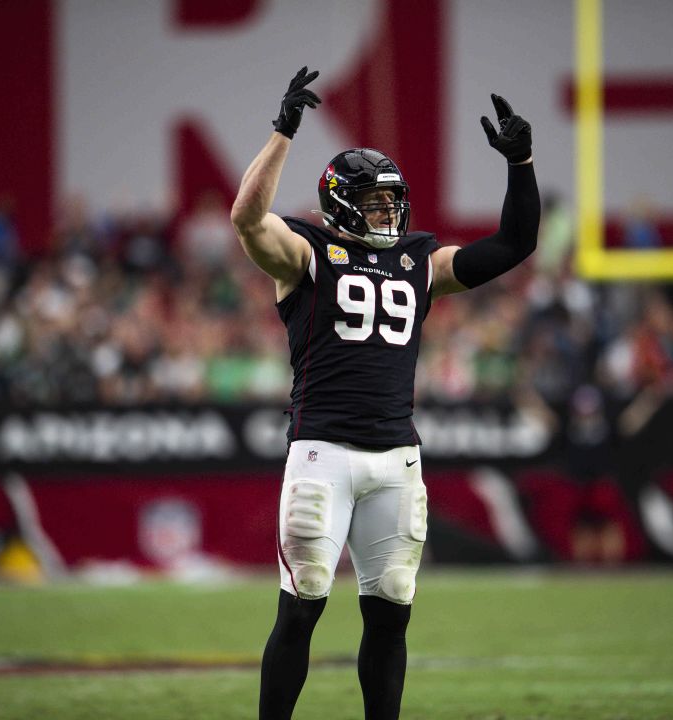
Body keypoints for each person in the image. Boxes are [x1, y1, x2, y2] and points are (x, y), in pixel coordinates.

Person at [231, 67, 539, 720]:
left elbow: (514, 244)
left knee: (391, 611)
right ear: (343, 203)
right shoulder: (307, 251)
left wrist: (522, 164)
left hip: (396, 459)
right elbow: (246, 216)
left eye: (392, 202)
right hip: (322, 455)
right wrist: (283, 132)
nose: (389, 213)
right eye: (375, 203)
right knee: (302, 607)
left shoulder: (417, 259)